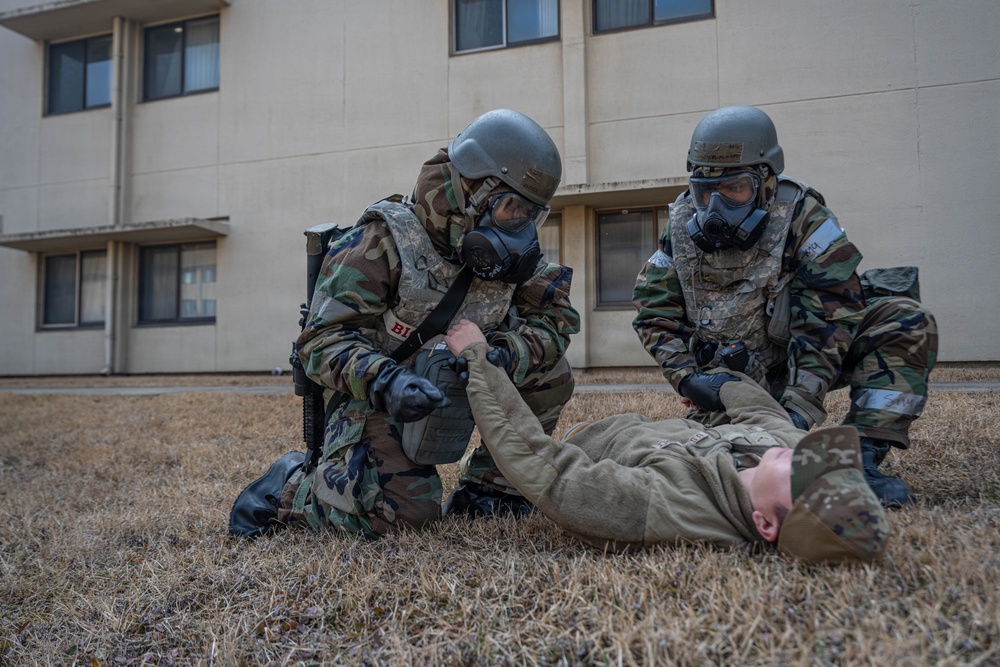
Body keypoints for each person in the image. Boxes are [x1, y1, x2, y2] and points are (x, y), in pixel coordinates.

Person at [229, 109, 579, 539]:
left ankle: (492, 492)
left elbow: (556, 320)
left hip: (450, 380)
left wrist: (505, 354)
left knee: (551, 372)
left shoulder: (509, 260)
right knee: (404, 517)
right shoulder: (383, 243)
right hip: (374, 396)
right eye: (512, 210)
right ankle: (290, 491)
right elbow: (320, 342)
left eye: (531, 216)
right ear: (473, 192)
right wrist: (387, 381)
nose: (521, 229)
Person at [632, 105, 938, 508]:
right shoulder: (681, 225)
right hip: (734, 379)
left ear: (766, 181)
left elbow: (830, 318)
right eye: (705, 192)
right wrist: (687, 378)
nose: (715, 208)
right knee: (718, 467)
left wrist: (795, 411)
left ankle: (860, 462)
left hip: (803, 361)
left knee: (904, 320)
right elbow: (654, 312)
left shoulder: (803, 216)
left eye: (735, 189)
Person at [441, 319, 889, 564]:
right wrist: (719, 383)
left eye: (803, 473)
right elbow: (766, 415)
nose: (800, 453)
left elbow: (543, 466)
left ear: (766, 525)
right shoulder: (775, 452)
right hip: (674, 428)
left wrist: (478, 359)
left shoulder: (659, 507)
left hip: (593, 437)